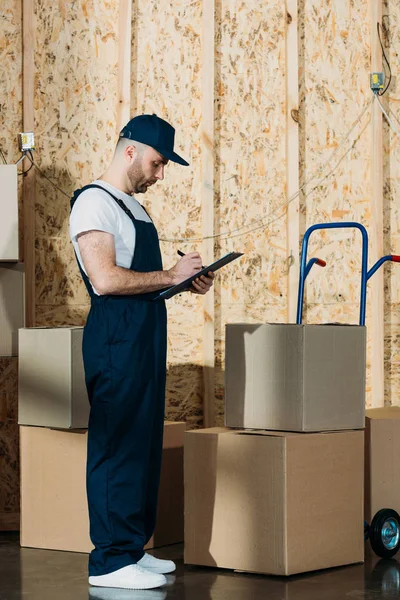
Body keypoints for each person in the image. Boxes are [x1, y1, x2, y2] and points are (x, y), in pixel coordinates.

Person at [69, 114, 214, 591]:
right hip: (116, 337)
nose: (160, 174)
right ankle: (109, 560)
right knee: (116, 446)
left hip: (145, 331)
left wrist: (182, 283)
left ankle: (131, 548)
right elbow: (106, 279)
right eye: (157, 163)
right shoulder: (94, 202)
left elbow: (143, 280)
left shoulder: (133, 207)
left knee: (142, 442)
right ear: (129, 152)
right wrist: (168, 276)